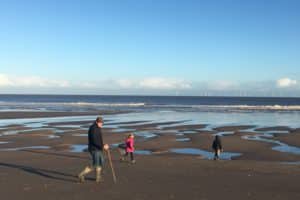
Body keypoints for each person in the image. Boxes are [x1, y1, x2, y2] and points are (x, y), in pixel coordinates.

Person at [78, 117, 109, 183]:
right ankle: (81, 175)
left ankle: (98, 178)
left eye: (102, 123)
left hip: (98, 148)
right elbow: (94, 140)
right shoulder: (93, 129)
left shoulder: (98, 128)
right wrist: (103, 146)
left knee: (101, 162)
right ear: (96, 122)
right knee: (95, 164)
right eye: (100, 123)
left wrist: (103, 144)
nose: (101, 124)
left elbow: (99, 139)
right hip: (94, 149)